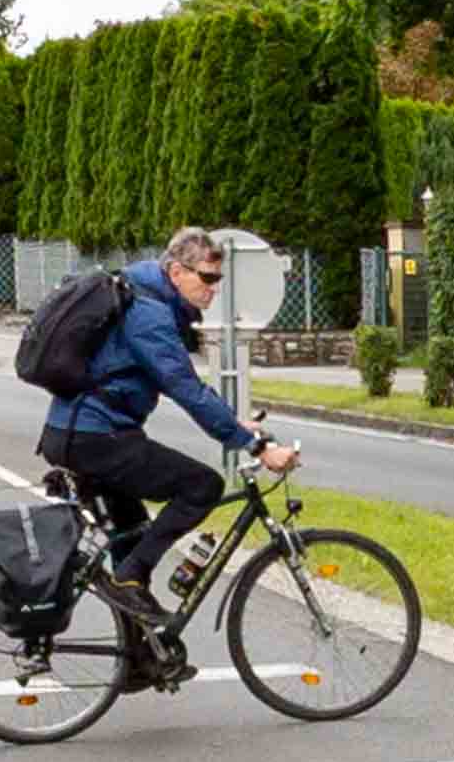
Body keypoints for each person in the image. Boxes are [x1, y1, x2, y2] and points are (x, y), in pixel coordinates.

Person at [38, 226, 296, 628]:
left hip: (80, 434)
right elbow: (187, 389)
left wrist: (234, 423)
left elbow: (187, 386)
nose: (213, 289)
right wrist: (255, 446)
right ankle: (128, 580)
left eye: (218, 280)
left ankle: (140, 657)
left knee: (136, 536)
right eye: (207, 278)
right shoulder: (149, 314)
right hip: (95, 437)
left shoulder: (144, 300)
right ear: (176, 272)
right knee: (201, 486)